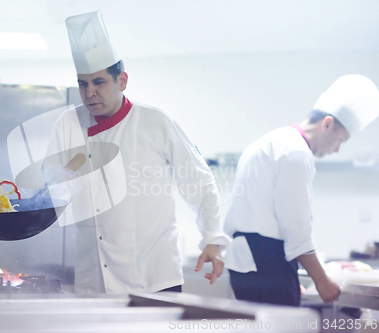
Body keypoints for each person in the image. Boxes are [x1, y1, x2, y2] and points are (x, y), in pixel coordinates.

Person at [46, 10, 228, 294]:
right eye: (83, 83)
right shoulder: (67, 124)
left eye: (99, 82)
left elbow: (201, 184)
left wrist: (212, 240)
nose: (89, 92)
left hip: (154, 278)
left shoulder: (156, 122)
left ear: (122, 81)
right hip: (93, 281)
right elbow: (52, 192)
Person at [223, 74, 379, 306]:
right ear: (327, 124)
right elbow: (296, 228)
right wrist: (320, 280)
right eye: (341, 140)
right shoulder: (296, 152)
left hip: (250, 266)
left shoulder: (273, 141)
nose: (336, 150)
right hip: (265, 264)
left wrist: (286, 278)